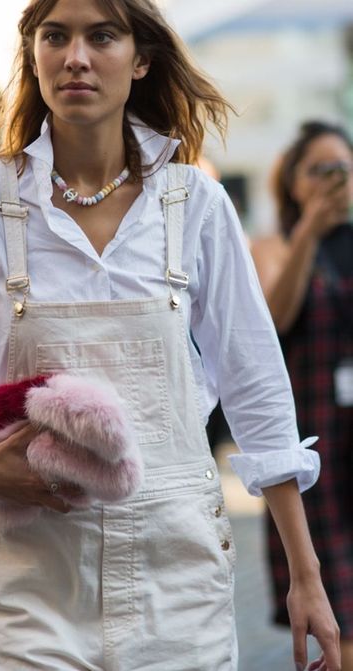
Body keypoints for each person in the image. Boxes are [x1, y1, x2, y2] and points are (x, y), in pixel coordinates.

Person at [0, 1, 341, 669]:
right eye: (55, 36)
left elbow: (258, 390)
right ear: (33, 55)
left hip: (177, 563)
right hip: (32, 564)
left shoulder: (196, 204)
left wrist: (307, 575)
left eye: (102, 36)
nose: (76, 57)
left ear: (142, 57)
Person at [251, 120, 353, 671]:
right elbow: (273, 321)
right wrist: (310, 231)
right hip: (316, 446)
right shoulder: (273, 247)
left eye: (344, 168)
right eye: (321, 170)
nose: (335, 180)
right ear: (293, 182)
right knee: (342, 612)